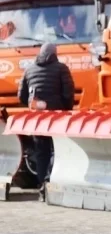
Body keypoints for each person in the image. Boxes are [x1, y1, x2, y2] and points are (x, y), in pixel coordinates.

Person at [17, 42, 75, 199]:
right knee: (60, 151)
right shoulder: (61, 69)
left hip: (37, 118)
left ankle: (42, 185)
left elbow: (21, 96)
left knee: (42, 152)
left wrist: (33, 105)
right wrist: (67, 109)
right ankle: (58, 182)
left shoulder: (29, 70)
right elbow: (68, 93)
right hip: (57, 117)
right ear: (54, 53)